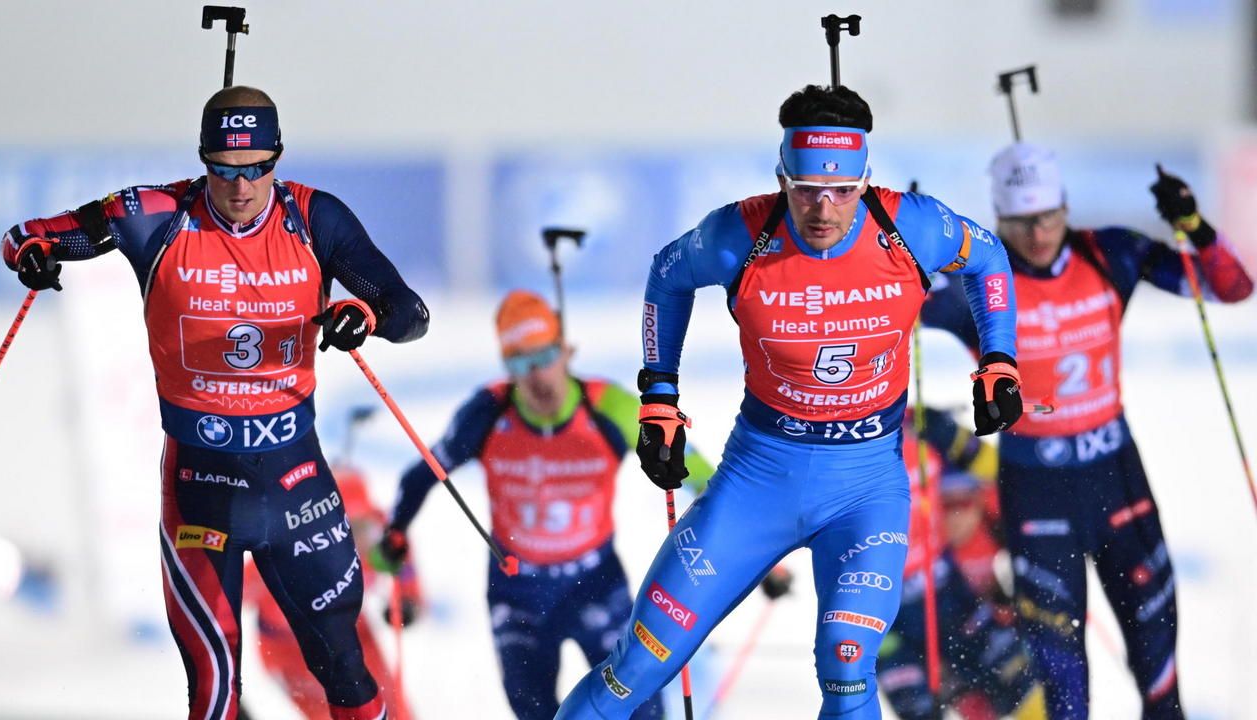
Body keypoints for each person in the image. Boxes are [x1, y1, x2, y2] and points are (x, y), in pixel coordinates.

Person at [556, 84, 1024, 719]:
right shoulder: (741, 234)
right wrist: (658, 395)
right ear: (782, 179)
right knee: (638, 663)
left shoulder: (909, 226)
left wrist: (999, 360)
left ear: (865, 180)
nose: (823, 209)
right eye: (805, 190)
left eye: (842, 191)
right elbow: (668, 273)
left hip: (865, 490)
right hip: (758, 483)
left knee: (847, 664)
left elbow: (988, 256)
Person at [0, 85, 429, 720]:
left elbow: (411, 313)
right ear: (204, 160)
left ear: (277, 157)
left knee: (344, 668)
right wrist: (33, 255)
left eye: (256, 168)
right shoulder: (156, 214)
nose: (241, 186)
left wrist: (362, 315)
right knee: (214, 684)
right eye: (224, 170)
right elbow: (26, 236)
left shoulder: (315, 217)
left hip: (296, 482)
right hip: (200, 487)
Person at [921, 141, 1254, 719]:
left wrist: (1195, 227)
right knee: (1064, 690)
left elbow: (1232, 287)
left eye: (1048, 216)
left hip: (1115, 475)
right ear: (999, 218)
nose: (1038, 232)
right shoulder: (979, 279)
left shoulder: (1109, 253)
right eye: (1021, 221)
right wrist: (908, 245)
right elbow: (889, 302)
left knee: (1158, 666)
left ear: (1066, 207)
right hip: (1036, 488)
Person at [376, 289, 715, 719]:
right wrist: (395, 532)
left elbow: (699, 475)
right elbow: (421, 474)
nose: (537, 375)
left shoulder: (608, 405)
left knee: (642, 707)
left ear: (566, 351)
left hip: (595, 580)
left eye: (544, 356)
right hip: (518, 592)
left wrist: (745, 547)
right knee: (533, 710)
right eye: (520, 363)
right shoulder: (488, 412)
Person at [878, 408, 1044, 720]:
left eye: (964, 503)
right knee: (923, 711)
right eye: (950, 504)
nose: (958, 515)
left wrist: (951, 434)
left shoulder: (917, 428)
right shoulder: (842, 446)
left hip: (950, 598)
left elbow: (997, 470)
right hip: (887, 616)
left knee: (1024, 687)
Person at [243, 465, 418, 719]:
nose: (363, 537)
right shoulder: (290, 555)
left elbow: (401, 554)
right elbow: (222, 600)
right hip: (291, 651)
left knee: (391, 704)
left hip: (350, 632)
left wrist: (408, 598)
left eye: (366, 524)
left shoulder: (378, 537)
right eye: (353, 527)